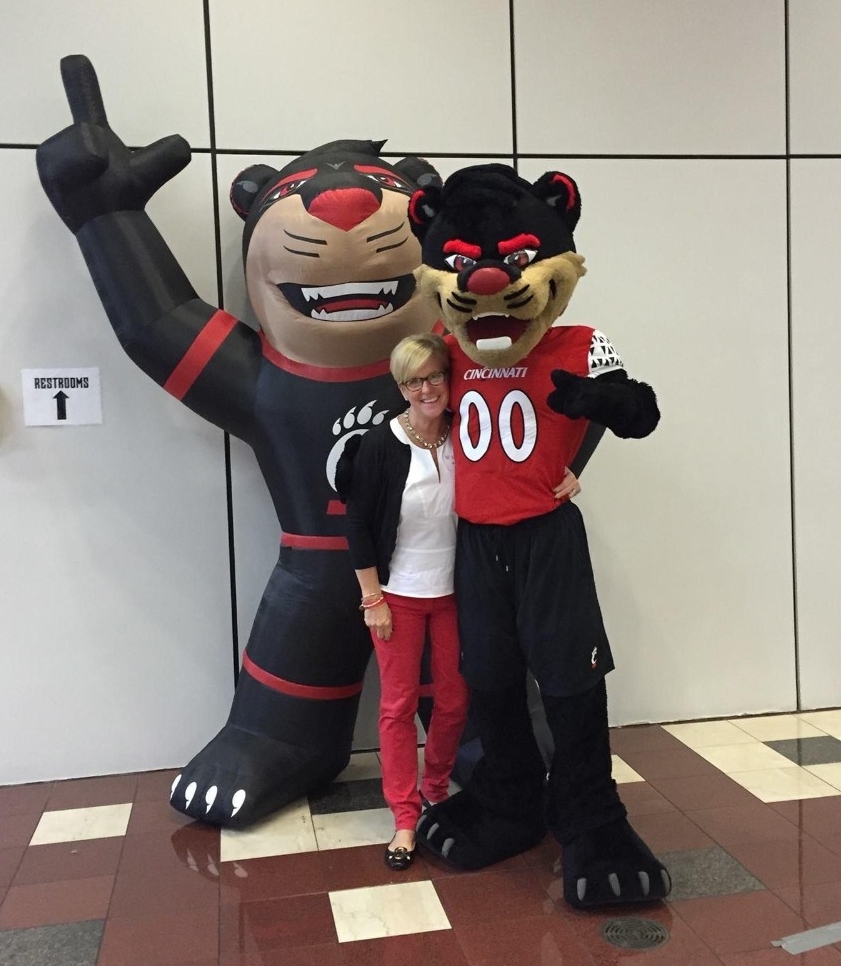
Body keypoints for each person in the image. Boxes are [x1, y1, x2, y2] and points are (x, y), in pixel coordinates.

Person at [339, 333, 582, 871]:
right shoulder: (380, 445)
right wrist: (372, 598)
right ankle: (405, 817)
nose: (427, 389)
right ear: (401, 387)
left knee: (453, 701)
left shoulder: (468, 434)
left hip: (458, 593)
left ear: (449, 379)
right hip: (398, 597)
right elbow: (356, 525)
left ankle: (435, 790)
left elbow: (523, 462)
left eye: (435, 376)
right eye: (414, 381)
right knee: (398, 706)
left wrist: (567, 471)